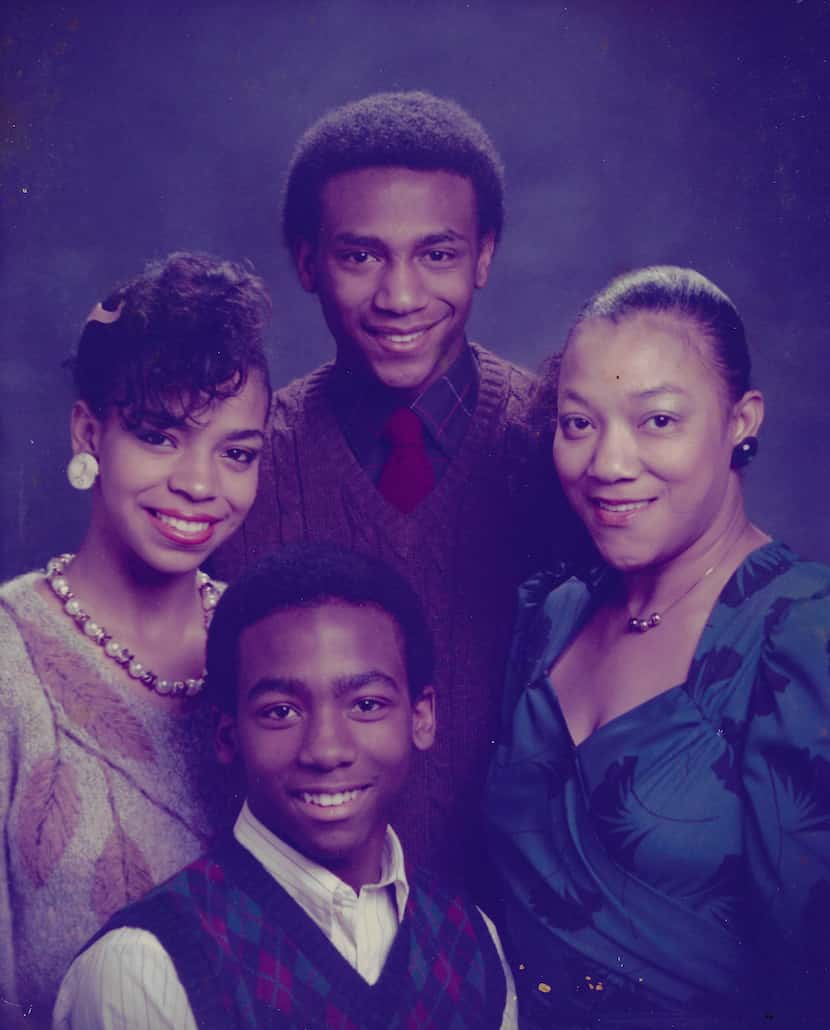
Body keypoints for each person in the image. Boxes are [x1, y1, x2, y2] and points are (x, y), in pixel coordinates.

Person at [211, 90, 584, 884]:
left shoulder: (565, 451)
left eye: (438, 254)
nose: (401, 296)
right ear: (309, 261)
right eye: (361, 255)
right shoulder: (241, 468)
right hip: (305, 934)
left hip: (527, 931)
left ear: (485, 255)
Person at [484, 266, 830, 1028]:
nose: (607, 464)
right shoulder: (550, 617)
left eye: (658, 421)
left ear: (742, 420)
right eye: (579, 423)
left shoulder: (804, 635)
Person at [55, 544, 518, 1028]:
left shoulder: (471, 939)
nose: (326, 749)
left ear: (421, 718)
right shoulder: (146, 969)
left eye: (366, 705)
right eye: (281, 712)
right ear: (228, 735)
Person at [0, 252, 272, 1027]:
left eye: (237, 452)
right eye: (159, 436)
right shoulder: (8, 660)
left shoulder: (270, 645)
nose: (199, 483)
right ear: (89, 430)